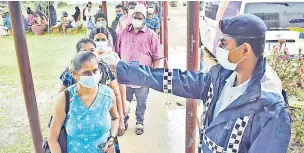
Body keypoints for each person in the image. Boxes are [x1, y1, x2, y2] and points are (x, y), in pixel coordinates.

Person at [115, 14, 291, 153]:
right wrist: (122, 69)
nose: (218, 48)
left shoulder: (270, 109)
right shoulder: (220, 77)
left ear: (245, 49)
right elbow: (174, 80)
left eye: (224, 43)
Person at [48, 51, 119, 153]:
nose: (92, 75)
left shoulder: (108, 95)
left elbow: (115, 118)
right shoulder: (65, 99)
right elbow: (52, 139)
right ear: (74, 74)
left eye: (95, 70)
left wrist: (111, 138)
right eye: (86, 72)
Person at [58, 38, 126, 136]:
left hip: (102, 123)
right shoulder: (70, 71)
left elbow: (117, 94)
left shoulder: (104, 68)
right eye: (84, 51)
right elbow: (60, 95)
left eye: (92, 50)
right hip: (78, 127)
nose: (89, 54)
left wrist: (121, 121)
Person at [115, 4, 163, 135]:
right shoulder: (123, 33)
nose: (137, 19)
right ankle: (123, 121)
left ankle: (139, 122)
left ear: (144, 19)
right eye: (135, 17)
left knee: (141, 102)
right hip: (125, 77)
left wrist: (153, 76)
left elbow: (157, 57)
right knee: (124, 101)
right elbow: (116, 53)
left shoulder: (151, 35)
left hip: (143, 77)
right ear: (131, 17)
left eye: (140, 17)